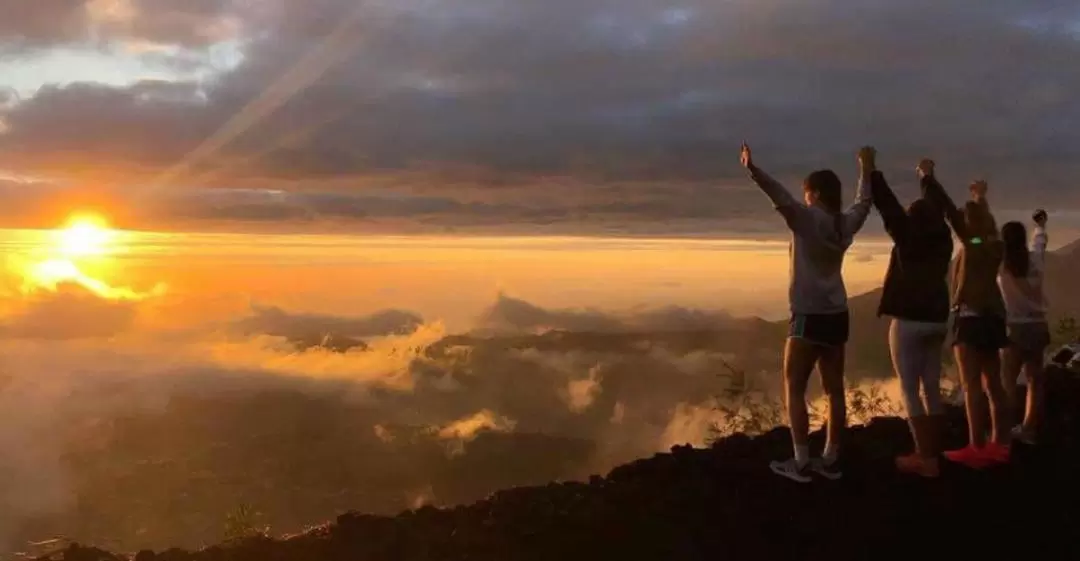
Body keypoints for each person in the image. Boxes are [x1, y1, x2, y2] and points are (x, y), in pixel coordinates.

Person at [740, 142, 873, 482]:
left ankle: (800, 461)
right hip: (837, 314)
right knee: (834, 389)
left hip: (807, 315)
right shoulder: (845, 225)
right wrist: (866, 168)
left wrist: (752, 169)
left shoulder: (805, 219)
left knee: (794, 384)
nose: (805, 197)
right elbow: (864, 203)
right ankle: (830, 458)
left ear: (813, 193)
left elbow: (779, 196)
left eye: (807, 192)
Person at [869, 158, 953, 478]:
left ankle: (924, 457)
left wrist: (871, 169)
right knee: (931, 386)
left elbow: (887, 205)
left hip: (909, 319)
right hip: (937, 318)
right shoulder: (943, 238)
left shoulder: (908, 234)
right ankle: (935, 450)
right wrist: (927, 177)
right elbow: (935, 205)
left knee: (908, 387)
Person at [922, 167, 1011, 467]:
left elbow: (953, 215)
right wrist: (980, 198)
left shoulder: (973, 246)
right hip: (993, 319)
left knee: (972, 384)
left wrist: (928, 178)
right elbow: (983, 227)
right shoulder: (994, 244)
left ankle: (977, 446)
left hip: (971, 319)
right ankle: (1001, 443)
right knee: (994, 383)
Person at [998, 210, 1050, 445]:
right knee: (1034, 380)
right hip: (1038, 325)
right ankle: (1028, 429)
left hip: (1014, 329)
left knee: (1007, 381)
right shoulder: (1035, 261)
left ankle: (1004, 431)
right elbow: (1039, 243)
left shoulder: (1002, 266)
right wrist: (1040, 225)